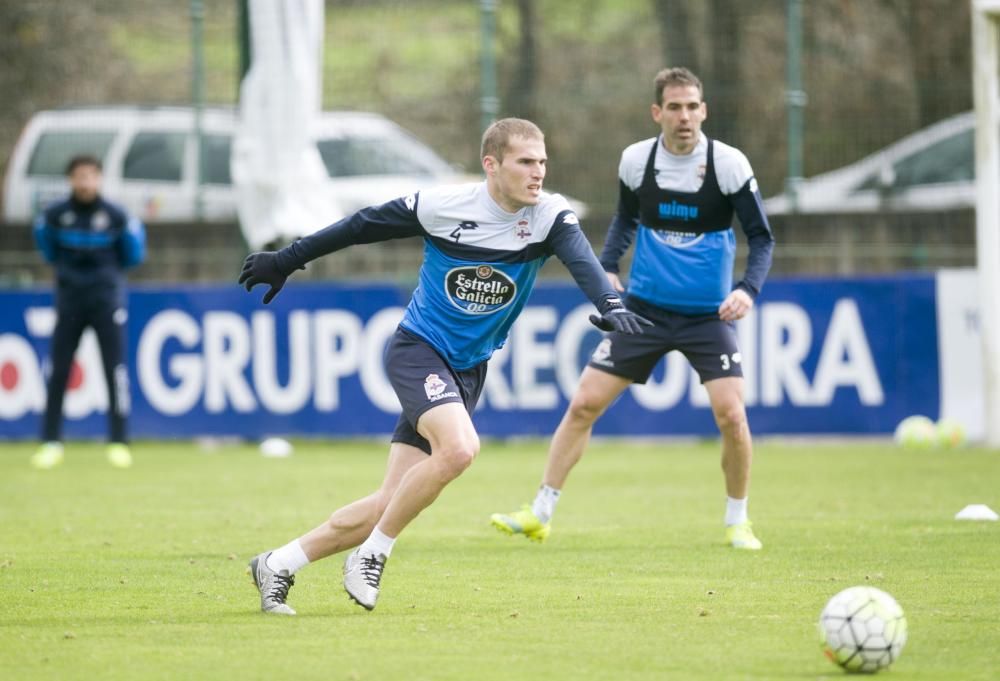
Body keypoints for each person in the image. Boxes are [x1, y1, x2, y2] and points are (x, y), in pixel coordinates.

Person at [239, 117, 651, 615]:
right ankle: (373, 554)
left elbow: (583, 262)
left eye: (542, 161)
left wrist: (611, 304)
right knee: (459, 450)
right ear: (491, 165)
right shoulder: (442, 205)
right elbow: (361, 225)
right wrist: (287, 259)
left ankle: (277, 564)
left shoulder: (547, 216)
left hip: (467, 370)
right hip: (418, 350)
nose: (538, 172)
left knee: (389, 501)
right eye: (525, 161)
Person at [491, 67, 775, 550]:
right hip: (642, 311)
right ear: (657, 112)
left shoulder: (728, 165)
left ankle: (737, 520)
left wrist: (747, 288)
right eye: (675, 107)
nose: (685, 116)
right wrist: (608, 266)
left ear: (703, 111)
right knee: (583, 404)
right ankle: (539, 512)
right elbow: (625, 217)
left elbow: (762, 237)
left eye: (693, 107)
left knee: (731, 415)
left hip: (708, 315)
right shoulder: (636, 161)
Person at [31, 155, 147, 470]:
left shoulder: (115, 216)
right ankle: (50, 442)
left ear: (99, 179)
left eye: (90, 176)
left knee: (115, 371)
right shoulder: (55, 216)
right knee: (58, 372)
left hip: (105, 302)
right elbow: (46, 248)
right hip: (69, 302)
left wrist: (104, 281)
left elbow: (134, 254)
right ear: (71, 180)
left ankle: (119, 442)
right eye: (79, 177)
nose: (85, 183)